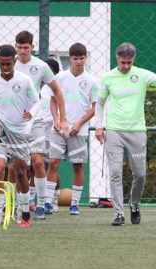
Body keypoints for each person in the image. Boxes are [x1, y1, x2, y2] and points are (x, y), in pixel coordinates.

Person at [95, 42, 156, 226]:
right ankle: (118, 214)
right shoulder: (107, 77)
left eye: (129, 62)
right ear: (117, 59)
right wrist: (99, 126)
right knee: (115, 173)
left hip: (137, 132)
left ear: (133, 60)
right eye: (122, 62)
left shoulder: (142, 74)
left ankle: (135, 204)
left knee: (139, 174)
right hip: (114, 131)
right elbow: (99, 103)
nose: (125, 66)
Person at [0, 44, 40, 227]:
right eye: (2, 64)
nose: (4, 68)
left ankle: (24, 212)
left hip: (18, 130)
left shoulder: (25, 80)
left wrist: (31, 113)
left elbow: (37, 102)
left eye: (8, 64)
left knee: (20, 173)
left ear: (15, 61)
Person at [12, 31, 68, 219]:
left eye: (25, 48)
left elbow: (57, 91)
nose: (22, 51)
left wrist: (63, 119)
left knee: (37, 162)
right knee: (18, 166)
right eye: (19, 48)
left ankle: (43, 204)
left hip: (35, 120)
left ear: (32, 47)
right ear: (15, 47)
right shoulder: (9, 64)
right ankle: (20, 206)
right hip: (14, 122)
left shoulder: (41, 66)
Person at [45, 43, 97, 216]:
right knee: (52, 163)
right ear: (70, 58)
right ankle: (48, 202)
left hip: (79, 131)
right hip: (59, 129)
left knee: (77, 167)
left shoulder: (91, 81)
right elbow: (53, 101)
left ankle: (75, 204)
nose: (79, 61)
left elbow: (94, 108)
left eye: (82, 58)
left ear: (85, 58)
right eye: (75, 58)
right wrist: (57, 120)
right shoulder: (60, 78)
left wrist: (79, 123)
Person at [41, 58, 61, 212]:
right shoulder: (42, 88)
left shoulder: (57, 87)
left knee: (50, 164)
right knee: (38, 165)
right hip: (40, 128)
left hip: (52, 129)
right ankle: (43, 200)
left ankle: (54, 199)